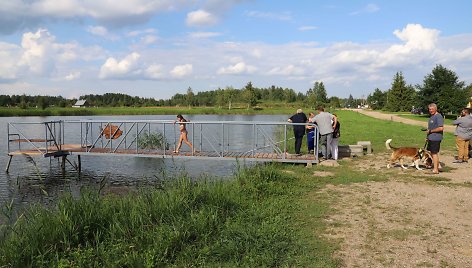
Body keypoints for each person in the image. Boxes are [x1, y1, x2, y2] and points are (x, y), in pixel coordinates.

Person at [426, 103, 444, 174]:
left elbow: (441, 128)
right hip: (431, 137)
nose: (430, 110)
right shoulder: (431, 117)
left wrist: (431, 131)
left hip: (436, 138)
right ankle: (438, 165)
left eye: (432, 109)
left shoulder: (438, 116)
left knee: (434, 153)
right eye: (430, 109)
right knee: (430, 152)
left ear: (436, 109)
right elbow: (430, 128)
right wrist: (428, 137)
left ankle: (435, 170)